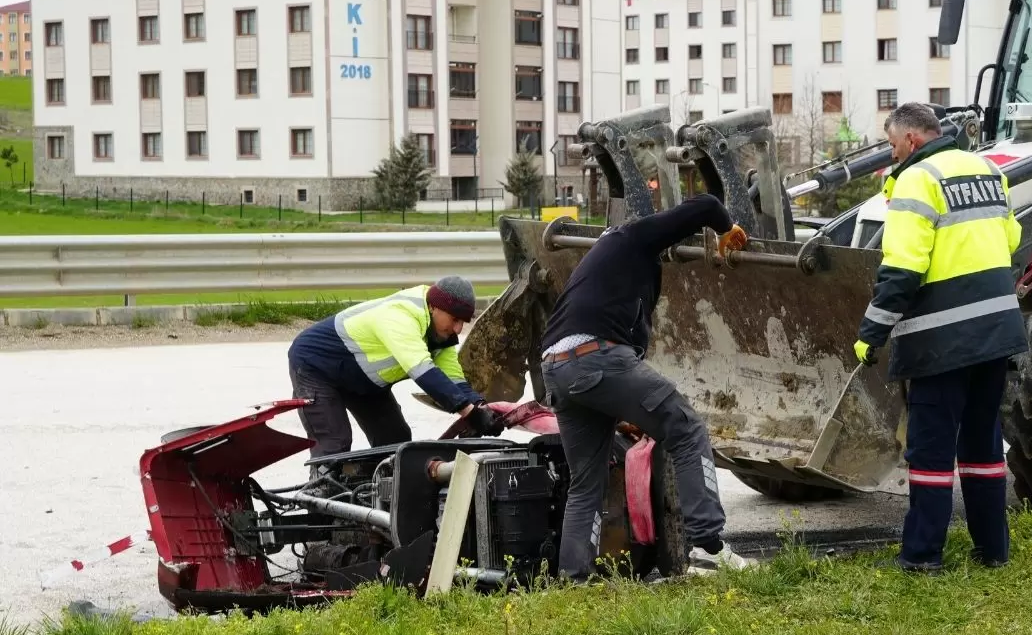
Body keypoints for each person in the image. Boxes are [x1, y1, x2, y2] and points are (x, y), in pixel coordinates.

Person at [539, 194, 757, 581]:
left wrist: (627, 409)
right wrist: (727, 229)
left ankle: (574, 578)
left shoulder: (606, 268)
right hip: (597, 358)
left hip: (558, 368)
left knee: (586, 483)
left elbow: (629, 351)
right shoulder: (632, 236)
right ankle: (709, 550)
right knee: (687, 429)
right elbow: (706, 204)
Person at [853, 102, 1029, 572]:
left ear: (911, 139)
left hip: (942, 340)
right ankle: (993, 551)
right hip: (996, 333)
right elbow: (1011, 238)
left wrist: (871, 333)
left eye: (892, 145)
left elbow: (903, 269)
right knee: (983, 447)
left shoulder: (917, 179)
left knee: (930, 451)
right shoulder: (988, 170)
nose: (892, 155)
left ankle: (921, 556)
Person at [287, 277, 505, 482]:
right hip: (316, 366)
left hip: (361, 380)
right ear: (434, 307)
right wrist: (470, 413)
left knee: (394, 439)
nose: (458, 329)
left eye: (463, 322)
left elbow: (454, 380)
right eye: (454, 319)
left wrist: (481, 407)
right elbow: (424, 373)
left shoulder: (440, 335)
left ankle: (374, 493)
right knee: (334, 444)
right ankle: (320, 495)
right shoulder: (401, 316)